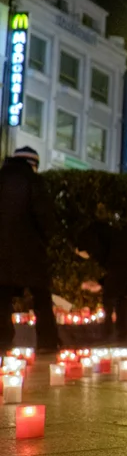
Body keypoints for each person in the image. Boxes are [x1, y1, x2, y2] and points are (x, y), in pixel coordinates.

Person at [0, 146, 59, 353]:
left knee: (2, 299)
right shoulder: (34, 182)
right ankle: (48, 343)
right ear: (33, 165)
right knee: (41, 297)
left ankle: (3, 341)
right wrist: (45, 239)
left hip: (1, 253)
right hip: (30, 252)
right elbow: (44, 217)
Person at [76, 220, 127, 342]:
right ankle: (121, 334)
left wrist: (101, 284)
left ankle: (108, 332)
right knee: (122, 294)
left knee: (111, 295)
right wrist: (101, 283)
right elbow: (115, 271)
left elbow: (115, 269)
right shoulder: (106, 236)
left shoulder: (94, 242)